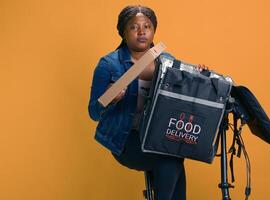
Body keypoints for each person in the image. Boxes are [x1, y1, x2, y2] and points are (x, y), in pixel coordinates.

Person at [88, 5, 207, 200]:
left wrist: (199, 75)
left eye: (147, 26)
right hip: (126, 140)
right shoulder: (108, 65)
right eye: (134, 27)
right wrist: (109, 99)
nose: (142, 32)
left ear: (153, 31)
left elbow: (184, 97)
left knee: (174, 153)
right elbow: (93, 112)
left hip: (158, 136)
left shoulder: (166, 61)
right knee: (171, 156)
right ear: (123, 33)